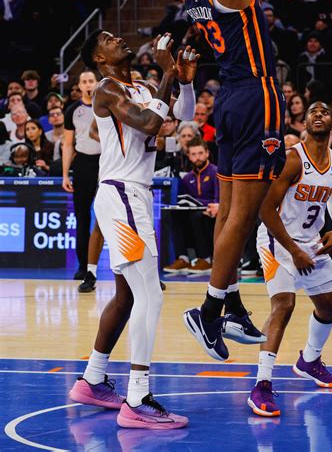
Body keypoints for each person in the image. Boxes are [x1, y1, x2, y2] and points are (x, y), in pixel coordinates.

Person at [168, 0, 285, 360]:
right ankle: (211, 309)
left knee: (233, 207)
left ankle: (230, 302)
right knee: (244, 211)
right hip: (256, 93)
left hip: (230, 97)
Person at [68, 29, 197, 429]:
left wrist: (183, 78)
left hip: (136, 193)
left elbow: (180, 118)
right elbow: (145, 123)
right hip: (122, 193)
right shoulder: (105, 88)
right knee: (151, 295)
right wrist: (165, 73)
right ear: (100, 59)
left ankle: (91, 380)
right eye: (106, 39)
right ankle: (138, 397)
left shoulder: (139, 87)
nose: (117, 39)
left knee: (127, 296)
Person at [247, 102, 332, 416]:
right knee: (284, 305)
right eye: (313, 111)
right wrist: (293, 251)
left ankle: (310, 361)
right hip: (278, 240)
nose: (319, 114)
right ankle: (261, 384)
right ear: (304, 122)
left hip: (310, 243)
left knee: (330, 306)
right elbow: (265, 210)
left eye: (325, 111)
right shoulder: (293, 159)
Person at [62, 71, 102, 281]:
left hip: (105, 162)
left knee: (107, 216)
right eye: (84, 81)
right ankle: (83, 265)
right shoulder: (72, 110)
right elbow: (67, 144)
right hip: (83, 163)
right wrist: (65, 175)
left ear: (97, 83)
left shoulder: (106, 105)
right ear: (79, 85)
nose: (88, 85)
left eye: (91, 81)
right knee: (82, 217)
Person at [165, 137, 219, 276]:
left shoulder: (216, 172)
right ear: (188, 156)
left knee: (197, 216)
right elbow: (184, 200)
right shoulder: (187, 177)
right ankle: (183, 258)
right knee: (175, 214)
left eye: (200, 153)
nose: (198, 157)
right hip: (193, 213)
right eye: (193, 154)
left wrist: (203, 204)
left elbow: (219, 199)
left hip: (212, 214)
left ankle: (206, 259)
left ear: (207, 153)